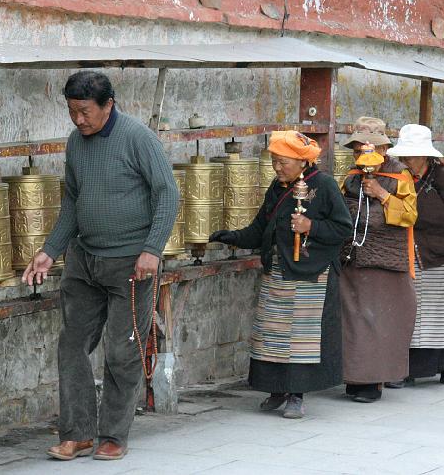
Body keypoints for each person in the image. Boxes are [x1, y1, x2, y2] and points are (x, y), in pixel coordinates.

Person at [22, 71, 180, 461]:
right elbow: (73, 200)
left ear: (108, 105)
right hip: (83, 260)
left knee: (122, 350)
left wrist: (152, 249)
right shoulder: (76, 143)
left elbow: (168, 193)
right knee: (71, 345)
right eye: (72, 112)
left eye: (85, 112)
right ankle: (76, 434)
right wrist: (51, 249)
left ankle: (113, 435)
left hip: (131, 263)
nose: (78, 120)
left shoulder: (138, 138)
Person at [209, 131, 352, 418]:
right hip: (278, 271)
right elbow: (261, 228)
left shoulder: (323, 186)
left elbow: (344, 229)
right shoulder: (277, 187)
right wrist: (232, 237)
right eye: (274, 161)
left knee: (299, 339)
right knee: (271, 334)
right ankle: (276, 389)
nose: (277, 167)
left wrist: (310, 225)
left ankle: (296, 395)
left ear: (302, 162)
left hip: (310, 274)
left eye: (283, 161)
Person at [387, 124, 444, 384]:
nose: (406, 162)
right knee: (410, 311)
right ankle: (407, 368)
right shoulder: (397, 177)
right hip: (406, 253)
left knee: (441, 313)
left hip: (440, 253)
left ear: (426, 156)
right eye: (403, 157)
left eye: (411, 157)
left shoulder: (442, 176)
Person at [340, 117, 418, 402]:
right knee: (354, 321)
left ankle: (374, 383)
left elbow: (410, 215)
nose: (362, 152)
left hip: (385, 259)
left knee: (380, 322)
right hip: (353, 257)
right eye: (358, 147)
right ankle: (354, 377)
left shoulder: (401, 175)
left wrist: (383, 194)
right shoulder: (351, 175)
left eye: (368, 146)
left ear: (384, 150)